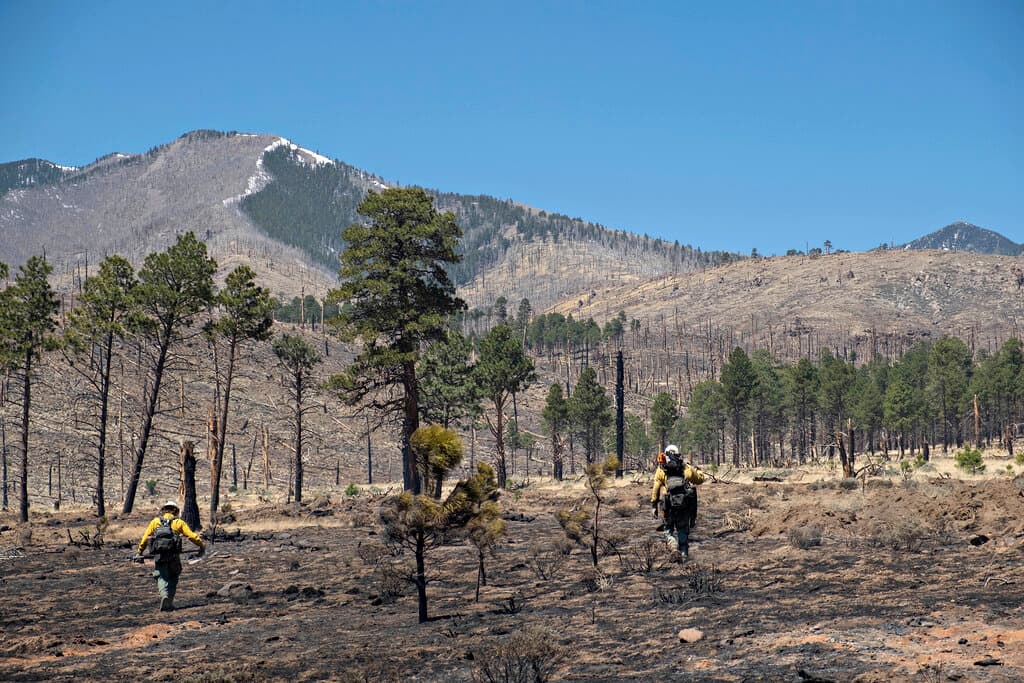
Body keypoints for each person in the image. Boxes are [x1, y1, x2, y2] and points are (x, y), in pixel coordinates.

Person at [135, 500, 205, 611]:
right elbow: (192, 536)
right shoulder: (178, 522)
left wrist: (139, 552)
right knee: (173, 576)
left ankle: (164, 596)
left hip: (159, 556)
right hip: (174, 556)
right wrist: (201, 546)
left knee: (161, 576)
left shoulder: (155, 522)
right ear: (175, 511)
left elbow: (144, 539)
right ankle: (170, 601)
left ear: (163, 510)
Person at [650, 445, 707, 560]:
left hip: (668, 505)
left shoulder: (661, 469)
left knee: (668, 529)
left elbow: (655, 489)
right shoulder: (685, 468)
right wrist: (700, 472)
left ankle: (673, 546)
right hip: (683, 505)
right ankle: (684, 555)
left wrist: (654, 506)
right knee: (682, 529)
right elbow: (699, 480)